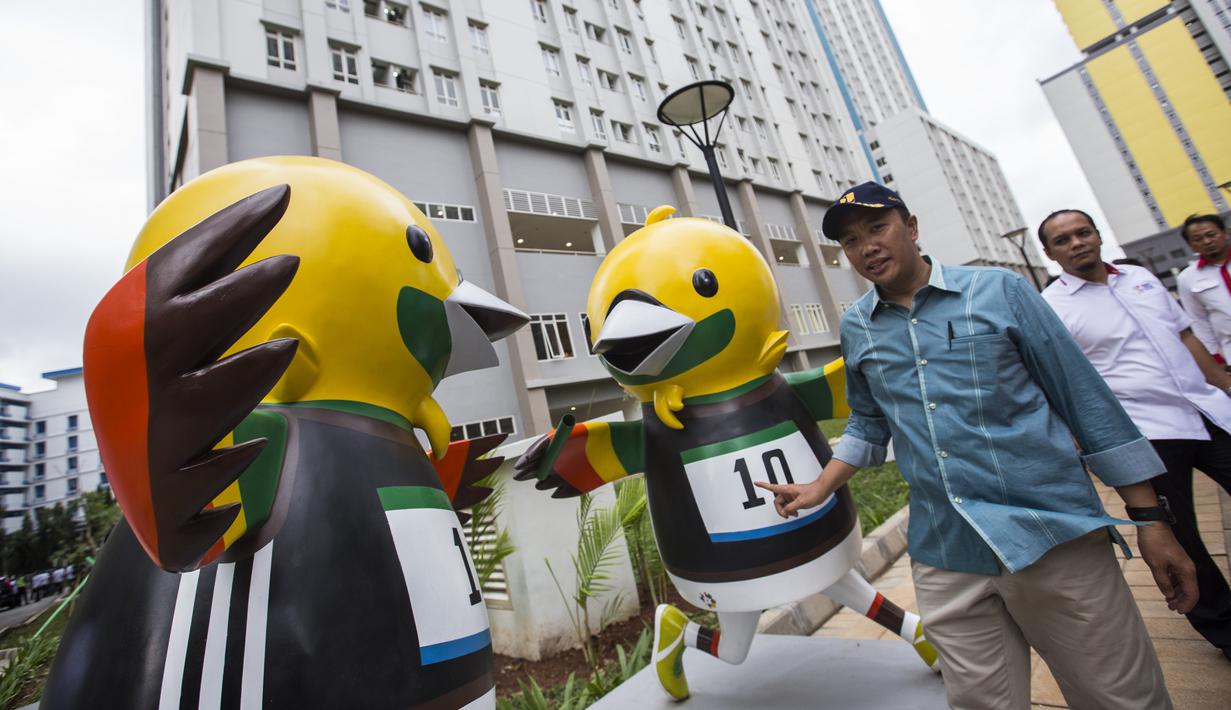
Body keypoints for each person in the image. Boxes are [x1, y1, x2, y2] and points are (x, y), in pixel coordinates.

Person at [759, 182, 1197, 710]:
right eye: (851, 241)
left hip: (1049, 533)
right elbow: (870, 424)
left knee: (1121, 698)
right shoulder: (858, 326)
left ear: (912, 227)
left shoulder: (998, 291)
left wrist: (1150, 520)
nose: (866, 246)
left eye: (877, 228)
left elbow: (1085, 401)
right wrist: (820, 486)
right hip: (947, 553)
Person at [1039, 208, 1231, 662]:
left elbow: (1185, 338)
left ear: (1097, 235)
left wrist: (1222, 385)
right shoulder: (1053, 307)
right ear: (1048, 254)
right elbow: (1062, 381)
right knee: (1182, 541)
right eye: (1063, 240)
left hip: (1203, 410)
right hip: (1146, 431)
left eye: (1082, 233)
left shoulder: (1139, 278)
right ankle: (1225, 630)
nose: (1076, 243)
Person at [1176, 214, 1231, 363]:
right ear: (1190, 245)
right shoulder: (1187, 278)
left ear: (1225, 233)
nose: (1207, 241)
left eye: (1211, 235)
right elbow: (1198, 320)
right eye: (1198, 239)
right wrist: (1215, 357)